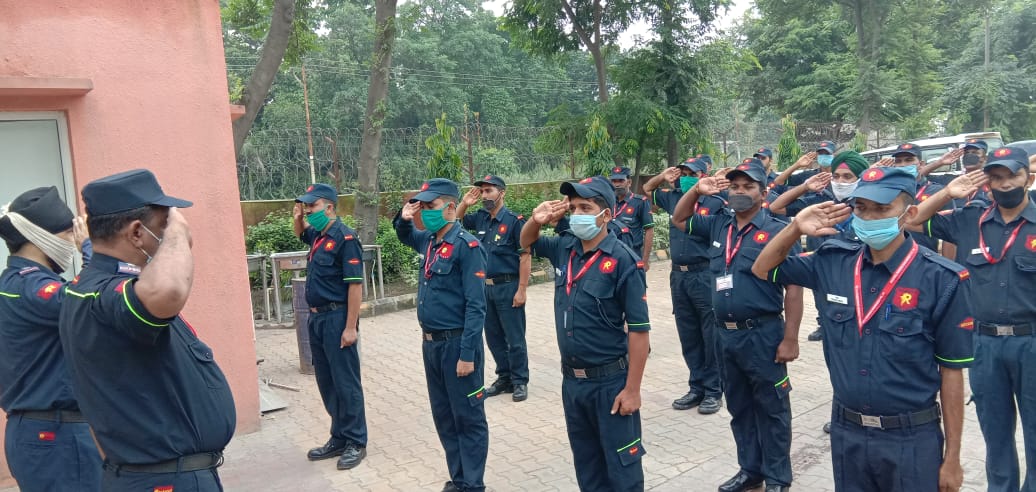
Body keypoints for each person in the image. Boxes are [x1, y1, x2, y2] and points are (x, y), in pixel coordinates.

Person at [752, 166, 972, 492]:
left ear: (909, 213)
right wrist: (795, 228)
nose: (869, 218)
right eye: (862, 208)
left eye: (882, 209)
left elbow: (952, 373)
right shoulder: (833, 261)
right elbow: (762, 269)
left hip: (911, 438)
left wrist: (952, 458)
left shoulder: (942, 279)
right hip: (848, 433)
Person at [60, 169, 235, 491]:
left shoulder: (106, 287)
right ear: (137, 232)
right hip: (162, 479)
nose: (168, 234)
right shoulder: (102, 293)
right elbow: (169, 290)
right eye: (163, 226)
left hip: (161, 474)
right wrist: (178, 232)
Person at [908, 146, 1036, 492]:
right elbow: (912, 220)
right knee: (995, 432)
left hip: (1032, 343)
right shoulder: (969, 220)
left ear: (1028, 179)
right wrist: (947, 193)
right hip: (984, 345)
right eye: (996, 177)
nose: (1005, 184)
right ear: (987, 183)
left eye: (1012, 176)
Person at [671, 158, 804, 492]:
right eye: (735, 186)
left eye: (748, 186)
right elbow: (679, 219)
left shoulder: (778, 231)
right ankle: (750, 470)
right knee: (740, 406)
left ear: (763, 193)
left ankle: (778, 477)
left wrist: (790, 338)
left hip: (763, 334)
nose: (740, 192)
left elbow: (793, 287)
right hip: (725, 336)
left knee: (772, 408)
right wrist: (697, 191)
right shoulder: (719, 225)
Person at [520, 176, 651, 492]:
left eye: (585, 208)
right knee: (588, 467)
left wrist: (632, 390)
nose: (577, 214)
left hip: (610, 384)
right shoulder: (565, 248)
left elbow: (639, 332)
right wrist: (535, 220)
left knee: (622, 471)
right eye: (574, 208)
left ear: (606, 215)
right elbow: (526, 242)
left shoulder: (623, 261)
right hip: (573, 384)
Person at [0, 187, 101, 491]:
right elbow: (86, 302)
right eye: (69, 234)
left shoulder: (15, 283)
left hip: (46, 433)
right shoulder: (29, 287)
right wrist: (91, 252)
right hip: (56, 435)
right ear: (40, 238)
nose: (73, 242)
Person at [394, 178, 489, 492]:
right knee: (445, 416)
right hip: (432, 346)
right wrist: (404, 217)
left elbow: (476, 306)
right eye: (422, 206)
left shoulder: (467, 246)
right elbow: (405, 234)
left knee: (468, 417)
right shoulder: (430, 241)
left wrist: (467, 354)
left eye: (430, 206)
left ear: (450, 207)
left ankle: (472, 484)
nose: (425, 212)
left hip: (457, 345)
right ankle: (459, 478)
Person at [292, 183, 368, 470]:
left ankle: (356, 441)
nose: (308, 211)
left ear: (330, 207)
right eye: (306, 206)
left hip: (337, 318)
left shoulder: (345, 238)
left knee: (346, 382)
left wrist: (351, 327)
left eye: (312, 206)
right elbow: (300, 232)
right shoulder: (318, 236)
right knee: (327, 382)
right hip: (316, 319)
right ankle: (339, 436)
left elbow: (355, 287)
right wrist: (298, 217)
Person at [642, 158, 725, 414]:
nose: (686, 176)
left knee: (710, 335)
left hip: (704, 273)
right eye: (684, 172)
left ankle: (714, 390)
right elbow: (647, 189)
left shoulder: (716, 201)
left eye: (692, 173)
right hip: (679, 276)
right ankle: (696, 387)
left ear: (704, 174)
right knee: (688, 334)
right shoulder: (674, 197)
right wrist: (662, 176)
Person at [770, 151, 869, 343]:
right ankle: (824, 325)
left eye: (847, 177)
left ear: (860, 178)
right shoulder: (823, 200)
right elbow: (776, 207)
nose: (840, 182)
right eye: (836, 176)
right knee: (825, 305)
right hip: (825, 264)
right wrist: (804, 187)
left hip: (858, 269)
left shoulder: (869, 206)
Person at [458, 175, 531, 402]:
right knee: (493, 337)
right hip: (485, 288)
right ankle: (504, 377)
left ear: (502, 193)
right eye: (482, 191)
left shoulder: (514, 221)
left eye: (489, 190)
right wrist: (464, 204)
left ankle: (520, 380)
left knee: (514, 337)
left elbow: (525, 256)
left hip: (508, 286)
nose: (485, 195)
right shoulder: (480, 218)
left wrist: (522, 289)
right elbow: (453, 222)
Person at [609, 166, 655, 265]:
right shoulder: (608, 202)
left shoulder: (640, 202)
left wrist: (645, 260)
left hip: (632, 255)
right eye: (614, 181)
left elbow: (649, 230)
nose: (617, 184)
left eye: (621, 181)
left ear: (629, 182)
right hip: (610, 255)